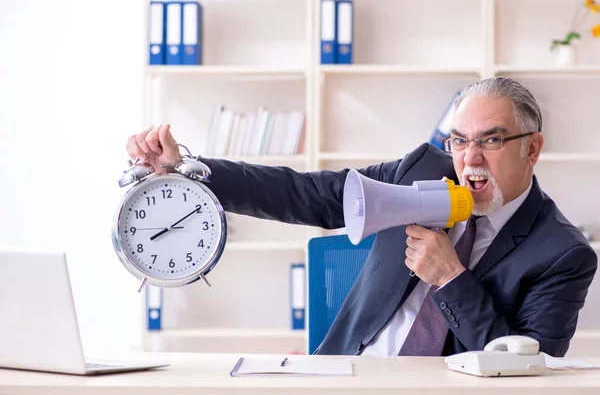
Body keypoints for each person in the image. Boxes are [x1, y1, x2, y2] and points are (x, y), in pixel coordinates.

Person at [126, 76, 597, 357]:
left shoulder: (562, 254)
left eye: (491, 141)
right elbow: (304, 192)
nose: (469, 159)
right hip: (344, 374)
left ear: (532, 148)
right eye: (459, 140)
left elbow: (528, 377)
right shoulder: (420, 172)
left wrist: (451, 277)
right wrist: (187, 171)